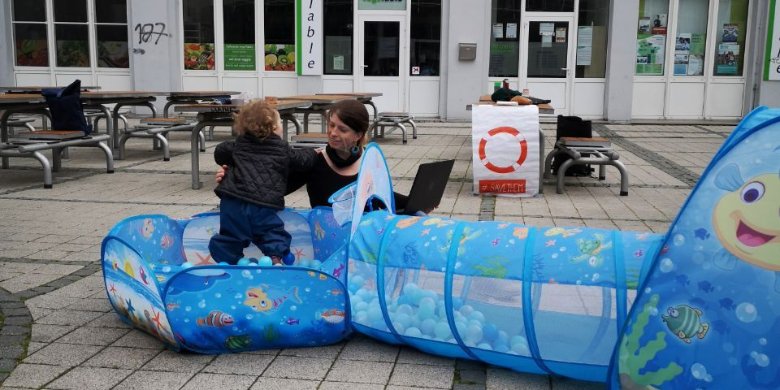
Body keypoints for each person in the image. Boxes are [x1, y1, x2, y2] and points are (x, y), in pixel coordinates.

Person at [216, 99, 410, 211]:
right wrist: (234, 177)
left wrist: (414, 203)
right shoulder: (314, 160)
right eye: (331, 125)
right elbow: (269, 187)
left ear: (358, 135)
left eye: (342, 129)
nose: (333, 132)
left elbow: (383, 196)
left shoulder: (370, 160)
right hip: (324, 243)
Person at [209, 100, 316, 266]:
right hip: (262, 203)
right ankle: (276, 258)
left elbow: (220, 152)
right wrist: (314, 153)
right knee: (270, 230)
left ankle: (230, 261)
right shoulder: (282, 148)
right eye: (280, 123)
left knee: (231, 234)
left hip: (233, 201)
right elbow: (302, 161)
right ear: (273, 128)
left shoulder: (238, 145)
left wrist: (229, 161)